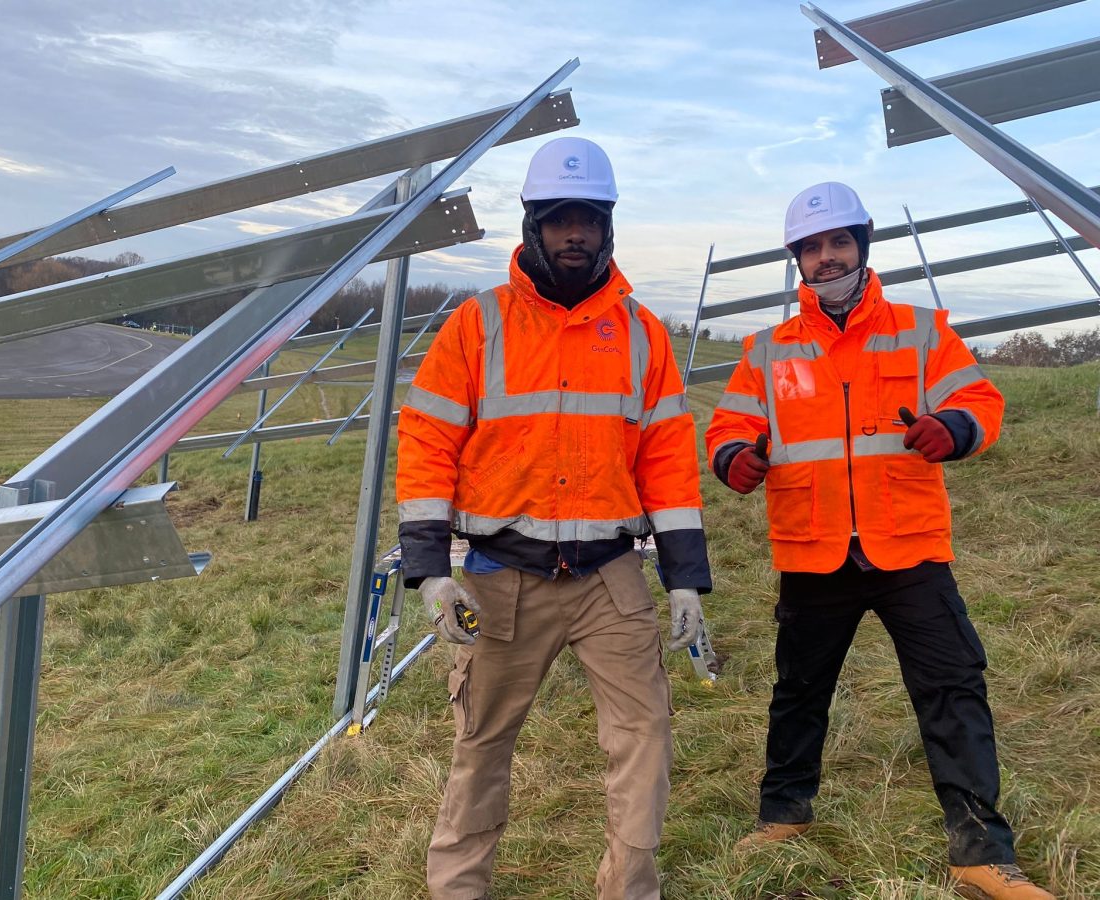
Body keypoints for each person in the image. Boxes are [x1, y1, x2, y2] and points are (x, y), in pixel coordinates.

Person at [705, 181, 1053, 900]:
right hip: (813, 547)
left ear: (862, 248)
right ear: (796, 260)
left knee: (953, 689)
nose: (826, 258)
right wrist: (734, 457)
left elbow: (979, 401)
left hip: (909, 548)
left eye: (838, 243)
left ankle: (981, 850)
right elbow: (727, 427)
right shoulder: (767, 350)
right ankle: (784, 813)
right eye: (811, 248)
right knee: (799, 691)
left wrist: (952, 430)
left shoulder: (921, 330)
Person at [396, 136, 712, 900]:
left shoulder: (642, 335)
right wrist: (433, 573)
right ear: (533, 225)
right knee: (481, 745)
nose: (576, 234)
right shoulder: (479, 325)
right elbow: (428, 441)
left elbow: (667, 459)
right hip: (503, 578)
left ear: (608, 227)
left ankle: (630, 890)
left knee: (645, 741)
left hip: (611, 578)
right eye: (560, 219)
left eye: (589, 220)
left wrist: (685, 579)